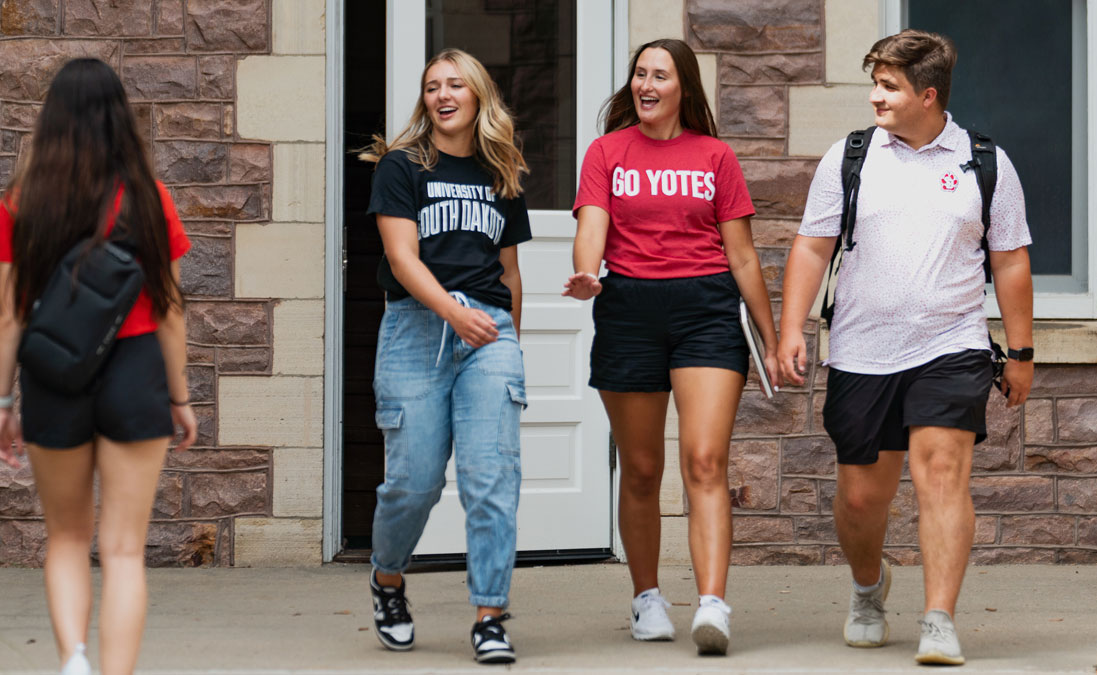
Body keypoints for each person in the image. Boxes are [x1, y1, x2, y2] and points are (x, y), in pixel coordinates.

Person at [777, 30, 1034, 666]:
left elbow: (1009, 261)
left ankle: (939, 618)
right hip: (863, 349)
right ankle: (869, 589)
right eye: (875, 83)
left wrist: (1022, 351)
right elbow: (813, 246)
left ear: (927, 94)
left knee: (941, 477)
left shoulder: (984, 163)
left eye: (888, 86)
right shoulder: (852, 157)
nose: (874, 98)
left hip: (952, 343)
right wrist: (792, 328)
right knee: (863, 498)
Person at [564, 38, 780, 656]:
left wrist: (768, 338)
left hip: (707, 313)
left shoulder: (714, 156)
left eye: (660, 75)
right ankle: (647, 598)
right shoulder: (607, 152)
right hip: (629, 308)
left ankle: (712, 604)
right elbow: (592, 228)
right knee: (640, 469)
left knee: (705, 461)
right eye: (639, 73)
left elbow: (741, 255)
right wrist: (587, 273)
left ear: (683, 86)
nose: (646, 84)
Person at [0, 58, 197, 675]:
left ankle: (73, 658)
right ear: (118, 119)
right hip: (136, 376)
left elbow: (9, 318)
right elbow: (171, 312)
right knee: (125, 550)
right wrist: (180, 399)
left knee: (68, 539)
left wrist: (2, 404)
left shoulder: (25, 202)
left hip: (54, 378)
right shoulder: (152, 198)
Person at [359, 48, 530, 665]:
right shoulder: (402, 167)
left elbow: (510, 272)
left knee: (492, 480)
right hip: (416, 327)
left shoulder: (500, 170)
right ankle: (387, 579)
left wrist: (512, 341)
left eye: (456, 84)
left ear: (478, 95)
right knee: (414, 482)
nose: (443, 94)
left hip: (490, 331)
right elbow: (403, 259)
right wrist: (454, 314)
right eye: (433, 86)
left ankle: (490, 615)